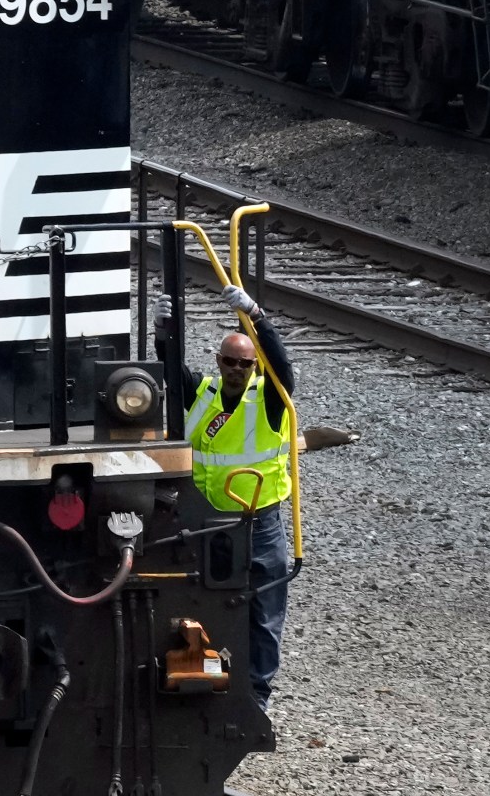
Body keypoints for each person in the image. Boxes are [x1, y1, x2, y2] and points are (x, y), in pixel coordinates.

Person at [176, 294, 296, 711]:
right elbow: (173, 372)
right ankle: (216, 679)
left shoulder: (268, 400)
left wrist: (258, 318)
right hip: (213, 523)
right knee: (211, 607)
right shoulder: (203, 394)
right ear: (219, 362)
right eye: (230, 361)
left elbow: (283, 369)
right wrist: (162, 331)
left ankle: (257, 697)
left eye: (245, 363)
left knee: (263, 615)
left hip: (260, 523)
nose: (237, 370)